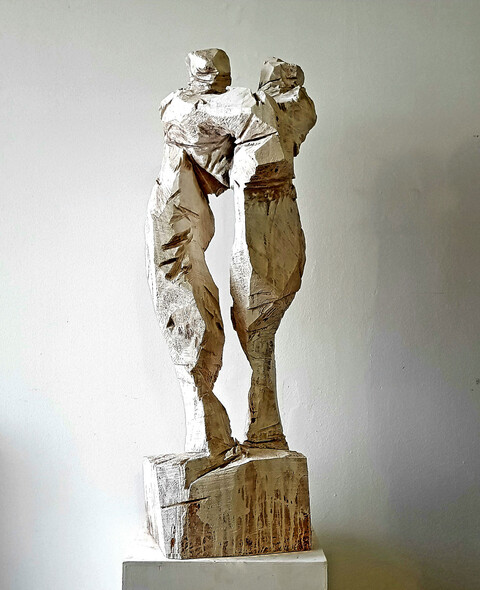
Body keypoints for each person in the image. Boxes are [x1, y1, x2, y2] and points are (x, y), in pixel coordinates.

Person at [230, 57, 317, 450]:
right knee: (254, 330)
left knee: (260, 330)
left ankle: (265, 429)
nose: (288, 85)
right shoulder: (254, 110)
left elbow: (298, 117)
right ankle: (264, 427)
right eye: (281, 80)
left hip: (276, 221)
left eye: (291, 80)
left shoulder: (291, 109)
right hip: (256, 225)